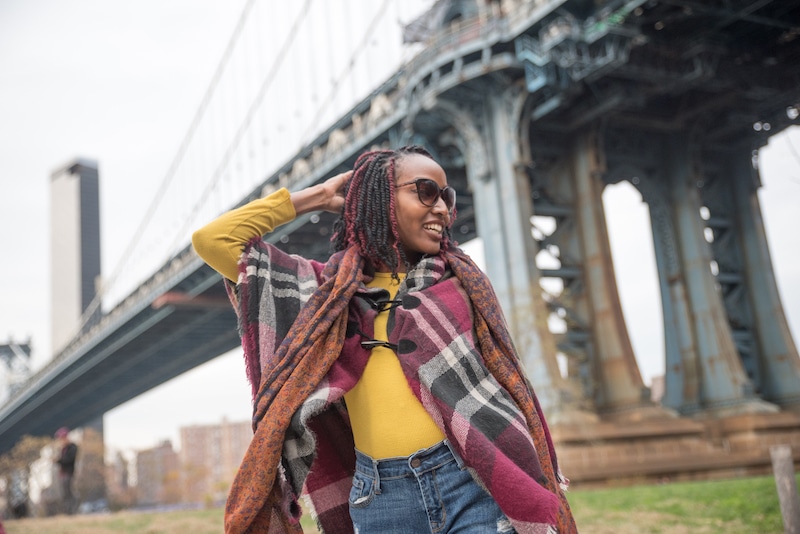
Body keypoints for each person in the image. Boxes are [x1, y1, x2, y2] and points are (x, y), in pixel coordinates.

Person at [192, 145, 577, 533]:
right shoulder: (321, 293)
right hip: (379, 497)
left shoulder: (461, 285)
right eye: (426, 191)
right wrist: (319, 196)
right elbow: (214, 239)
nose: (442, 208)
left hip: (471, 481)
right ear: (381, 200)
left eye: (447, 196)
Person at [54, 427, 78, 515]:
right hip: (62, 473)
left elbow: (68, 460)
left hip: (69, 472)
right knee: (63, 492)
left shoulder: (72, 447)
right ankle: (66, 511)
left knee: (69, 492)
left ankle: (71, 510)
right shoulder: (63, 449)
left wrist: (58, 460)